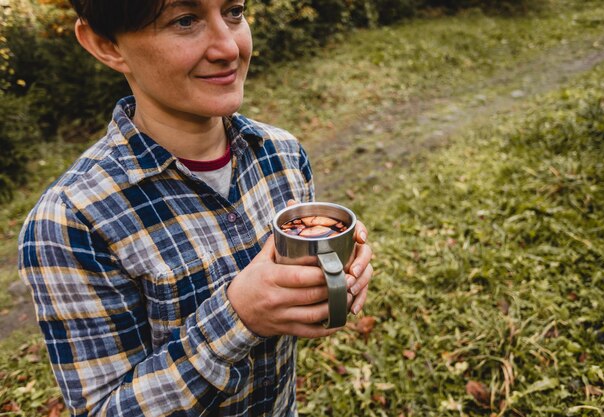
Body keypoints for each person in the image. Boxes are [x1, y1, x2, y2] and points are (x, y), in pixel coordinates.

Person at [17, 0, 374, 416]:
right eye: (185, 21)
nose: (229, 47)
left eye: (234, 12)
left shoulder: (283, 154)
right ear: (105, 44)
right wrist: (239, 318)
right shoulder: (72, 220)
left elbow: (305, 312)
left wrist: (336, 281)